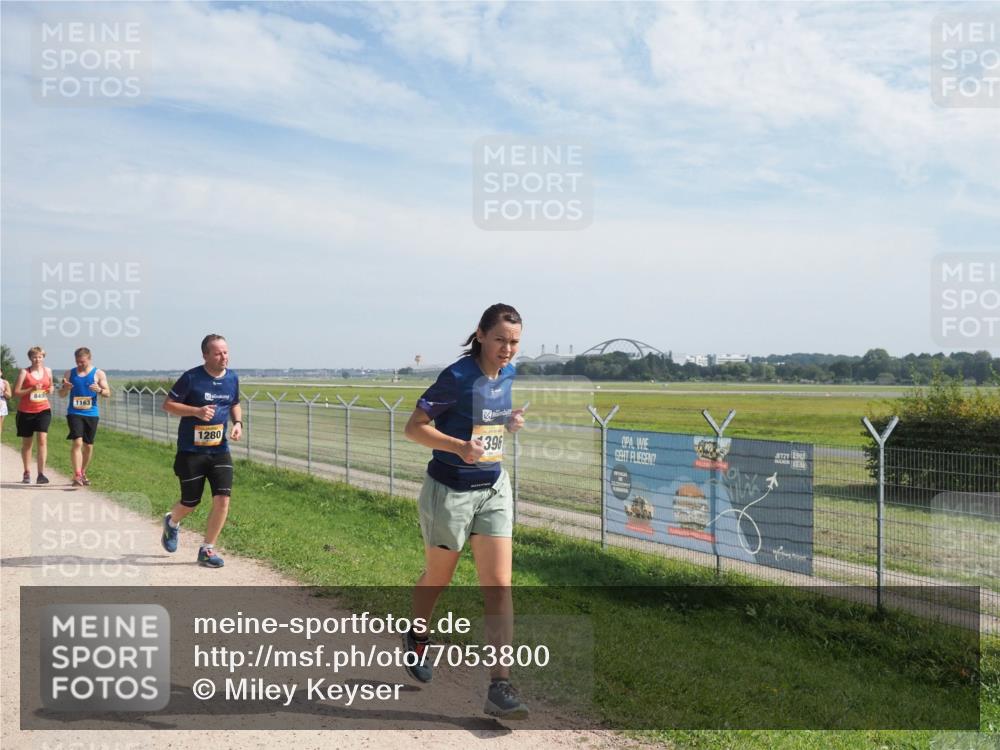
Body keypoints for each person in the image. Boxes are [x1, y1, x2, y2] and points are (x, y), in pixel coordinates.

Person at [402, 303, 529, 720]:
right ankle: (418, 634)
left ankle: (500, 684)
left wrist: (506, 421)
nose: (507, 349)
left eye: (514, 342)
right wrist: (459, 448)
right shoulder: (456, 377)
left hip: (493, 487)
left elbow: (483, 421)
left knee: (499, 585)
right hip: (450, 490)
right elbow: (414, 427)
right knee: (439, 576)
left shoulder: (507, 373)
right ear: (480, 335)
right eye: (500, 340)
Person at [159, 334, 242, 568]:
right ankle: (172, 522)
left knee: (223, 498)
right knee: (190, 501)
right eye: (217, 353)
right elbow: (168, 405)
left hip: (219, 450)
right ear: (205, 355)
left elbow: (234, 403)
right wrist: (195, 411)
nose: (223, 356)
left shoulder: (232, 378)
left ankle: (207, 549)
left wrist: (238, 424)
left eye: (225, 352)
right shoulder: (191, 378)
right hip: (191, 451)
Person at [58, 347, 110, 487]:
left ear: (89, 358)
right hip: (74, 413)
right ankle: (77, 475)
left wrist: (99, 390)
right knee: (77, 442)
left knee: (88, 446)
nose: (79, 364)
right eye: (77, 362)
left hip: (91, 413)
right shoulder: (69, 373)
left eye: (82, 362)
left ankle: (82, 471)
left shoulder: (98, 374)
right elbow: (61, 395)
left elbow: (107, 393)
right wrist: (65, 388)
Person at [12, 346, 55, 484]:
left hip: (43, 409)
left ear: (43, 357)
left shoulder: (48, 371)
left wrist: (51, 389)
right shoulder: (24, 372)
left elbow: (51, 386)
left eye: (40, 357)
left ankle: (41, 474)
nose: (37, 359)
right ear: (30, 358)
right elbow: (16, 392)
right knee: (27, 444)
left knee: (42, 439)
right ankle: (27, 471)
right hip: (26, 411)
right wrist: (31, 389)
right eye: (35, 357)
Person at [0, 368, 11, 433]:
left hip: (1, 402)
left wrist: (4, 391)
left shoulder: (5, 382)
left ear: (1, 373)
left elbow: (9, 395)